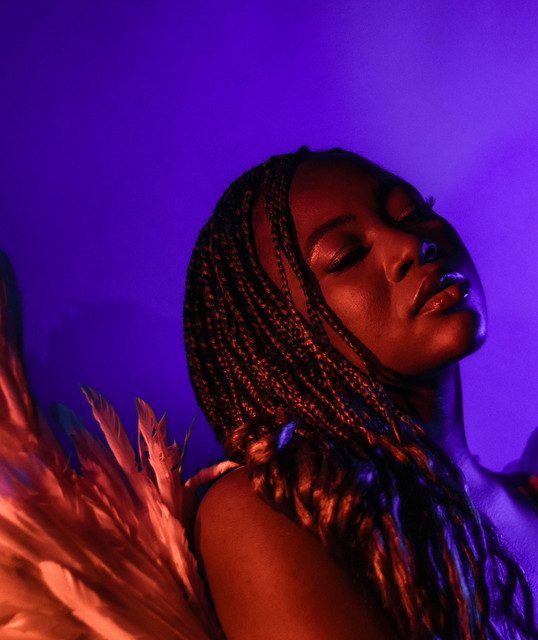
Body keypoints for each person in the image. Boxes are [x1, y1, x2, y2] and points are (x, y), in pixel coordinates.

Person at [183, 147, 538, 639]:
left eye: (411, 211)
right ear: (282, 338)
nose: (411, 243)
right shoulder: (267, 513)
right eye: (347, 256)